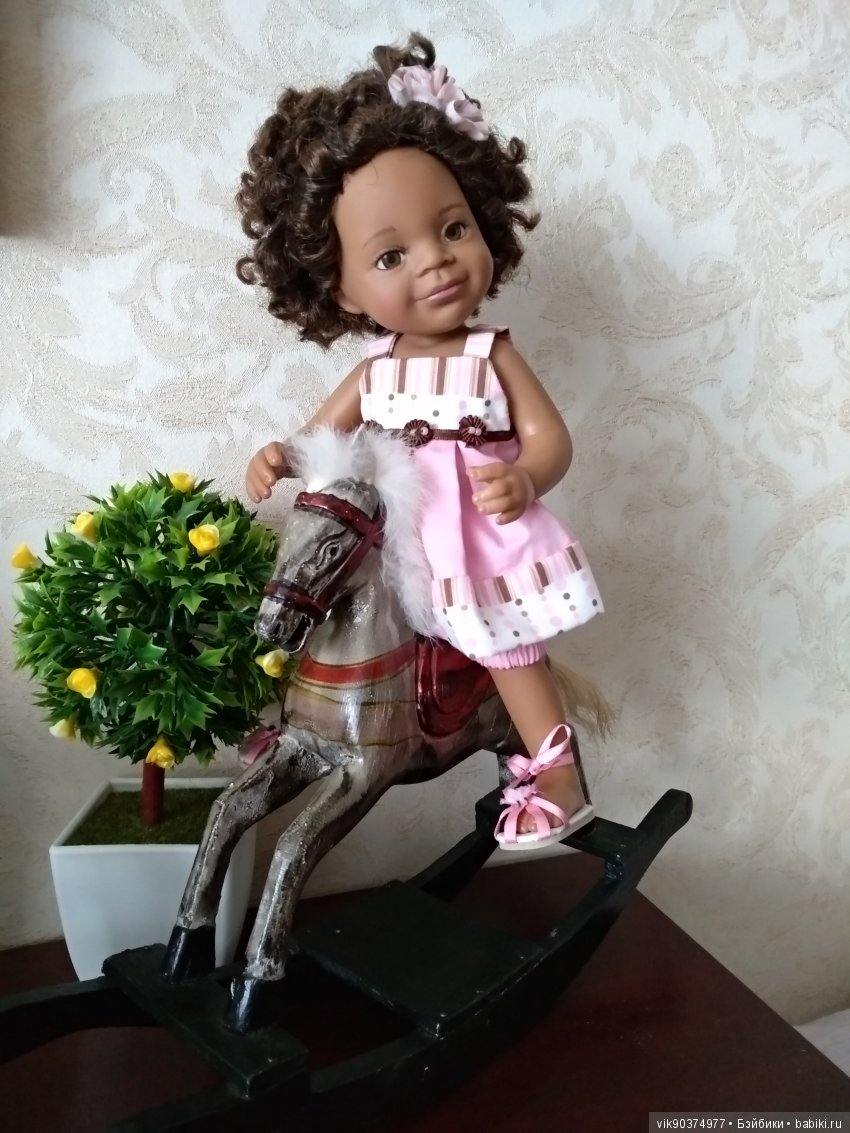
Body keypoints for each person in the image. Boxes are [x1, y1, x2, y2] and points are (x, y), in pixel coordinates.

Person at [240, 33, 605, 850]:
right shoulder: (375, 369)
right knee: (324, 604)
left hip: (474, 540)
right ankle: (302, 723)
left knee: (508, 648)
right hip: (399, 546)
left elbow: (550, 438)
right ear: (340, 287)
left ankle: (557, 773)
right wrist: (282, 457)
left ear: (486, 222)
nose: (437, 262)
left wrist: (527, 477)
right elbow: (319, 438)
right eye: (392, 255)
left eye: (453, 228)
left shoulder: (490, 354)